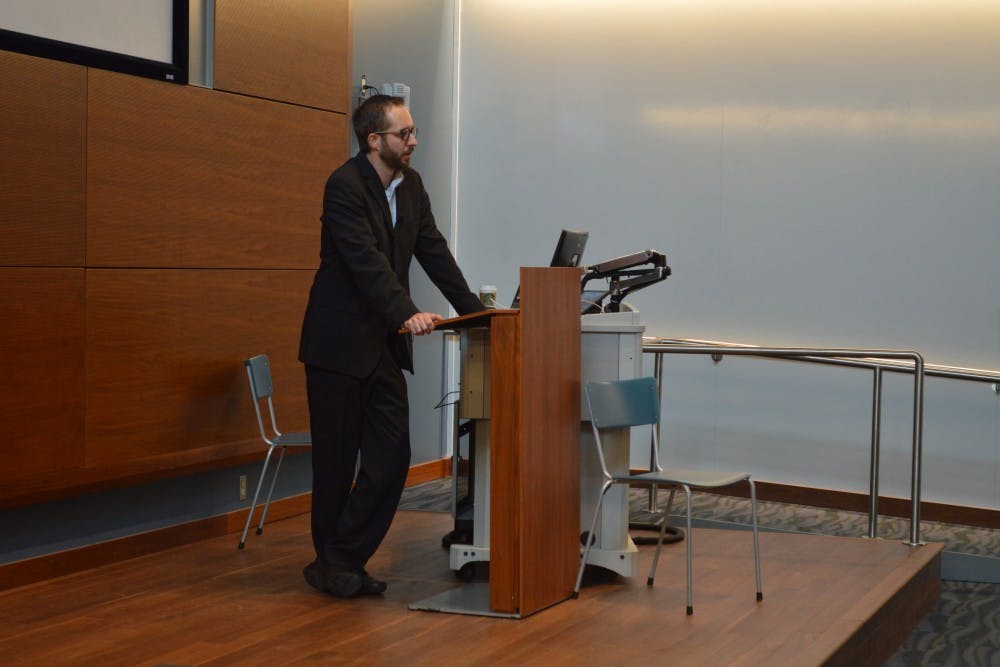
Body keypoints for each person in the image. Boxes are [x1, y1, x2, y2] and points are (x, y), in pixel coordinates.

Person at [298, 95, 485, 598]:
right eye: (404, 134)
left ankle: (340, 558)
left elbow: (433, 250)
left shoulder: (412, 186)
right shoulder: (343, 186)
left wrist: (473, 312)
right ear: (374, 139)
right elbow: (364, 264)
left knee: (391, 457)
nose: (414, 141)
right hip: (336, 346)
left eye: (414, 131)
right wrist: (407, 311)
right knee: (336, 465)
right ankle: (335, 564)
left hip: (380, 345)